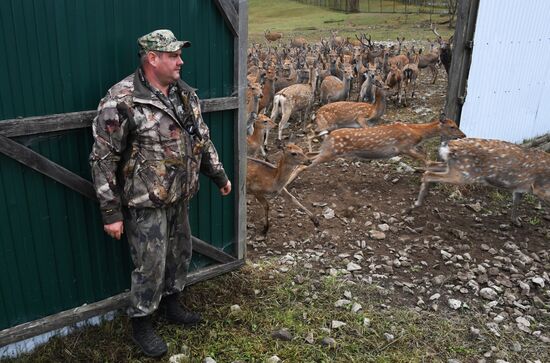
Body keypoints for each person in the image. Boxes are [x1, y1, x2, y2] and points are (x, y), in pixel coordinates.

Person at [89, 29, 232, 357]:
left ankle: (173, 306)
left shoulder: (184, 95)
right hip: (145, 202)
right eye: (173, 55)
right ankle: (141, 323)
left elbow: (201, 139)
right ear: (152, 58)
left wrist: (218, 175)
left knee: (180, 253)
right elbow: (103, 158)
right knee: (150, 265)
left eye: (180, 55)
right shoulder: (122, 99)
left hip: (180, 195)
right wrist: (110, 212)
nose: (181, 61)